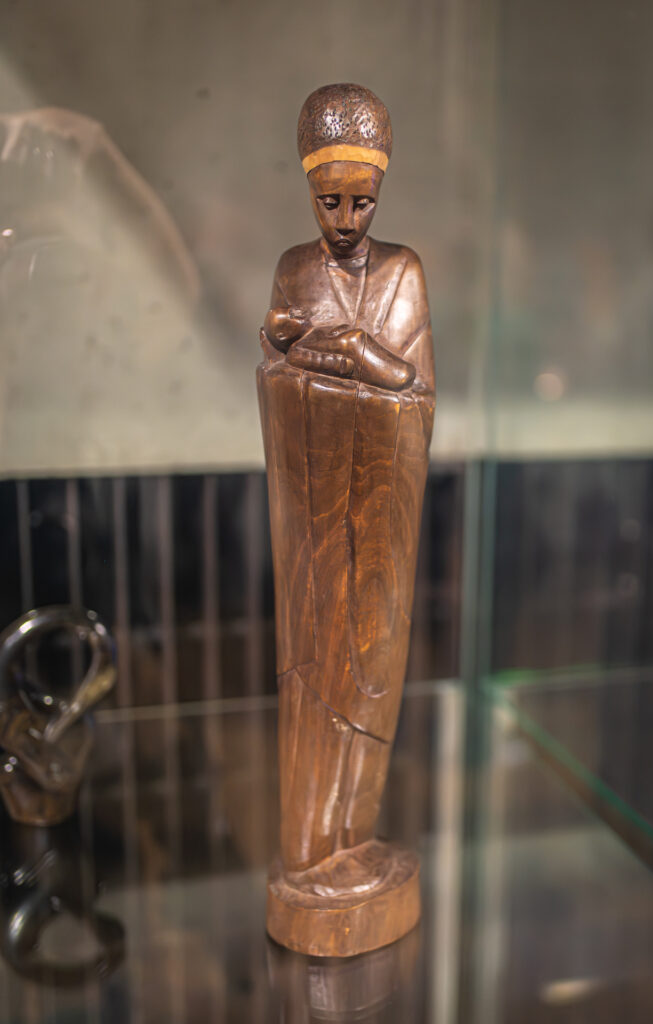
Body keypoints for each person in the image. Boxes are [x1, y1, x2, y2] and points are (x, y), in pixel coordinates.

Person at [258, 84, 435, 900]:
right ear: (308, 189)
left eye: (361, 202)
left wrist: (356, 359)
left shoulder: (403, 273)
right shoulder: (294, 270)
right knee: (313, 672)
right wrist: (331, 362)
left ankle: (352, 839)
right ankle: (309, 850)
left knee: (373, 667)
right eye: (329, 201)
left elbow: (416, 397)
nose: (345, 219)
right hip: (315, 525)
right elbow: (275, 374)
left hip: (379, 521)